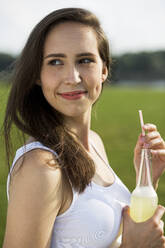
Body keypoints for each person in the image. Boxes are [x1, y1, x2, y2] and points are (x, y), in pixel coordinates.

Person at [2, 8, 165, 248]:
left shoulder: (95, 143)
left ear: (104, 70)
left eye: (85, 60)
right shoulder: (41, 168)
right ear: (38, 75)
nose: (72, 76)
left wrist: (146, 179)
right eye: (55, 62)